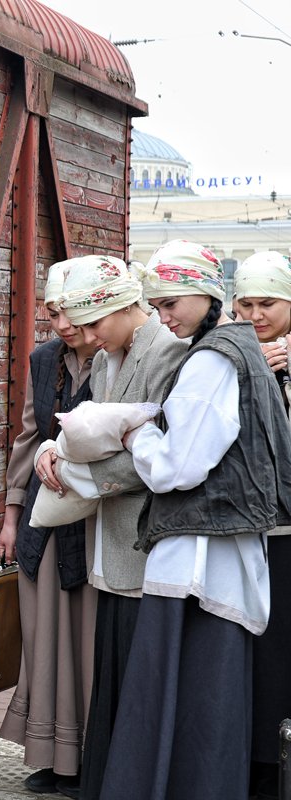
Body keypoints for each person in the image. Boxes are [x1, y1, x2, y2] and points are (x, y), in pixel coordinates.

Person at [96, 240, 291, 800]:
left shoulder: (212, 359)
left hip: (199, 558)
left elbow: (178, 467)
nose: (162, 316)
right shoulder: (240, 350)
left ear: (206, 293)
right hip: (223, 549)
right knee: (211, 698)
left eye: (170, 302)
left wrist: (136, 432)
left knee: (185, 696)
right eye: (155, 305)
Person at [39, 256, 186, 800]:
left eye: (96, 322)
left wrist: (79, 472)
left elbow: (161, 457)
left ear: (127, 307)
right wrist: (53, 449)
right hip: (113, 539)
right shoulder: (107, 358)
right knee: (115, 669)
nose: (89, 336)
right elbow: (93, 428)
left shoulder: (169, 356)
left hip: (148, 541)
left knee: (141, 671)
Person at [0, 258, 99, 797]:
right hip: (44, 518)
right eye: (53, 312)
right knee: (44, 639)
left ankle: (88, 758)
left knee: (87, 640)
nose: (60, 323)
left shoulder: (116, 353)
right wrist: (11, 518)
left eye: (69, 310)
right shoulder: (44, 359)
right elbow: (29, 437)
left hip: (96, 523)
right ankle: (52, 757)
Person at [230, 249, 291, 799]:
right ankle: (259, 763)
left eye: (267, 302)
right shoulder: (228, 350)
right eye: (245, 303)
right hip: (252, 528)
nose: (255, 314)